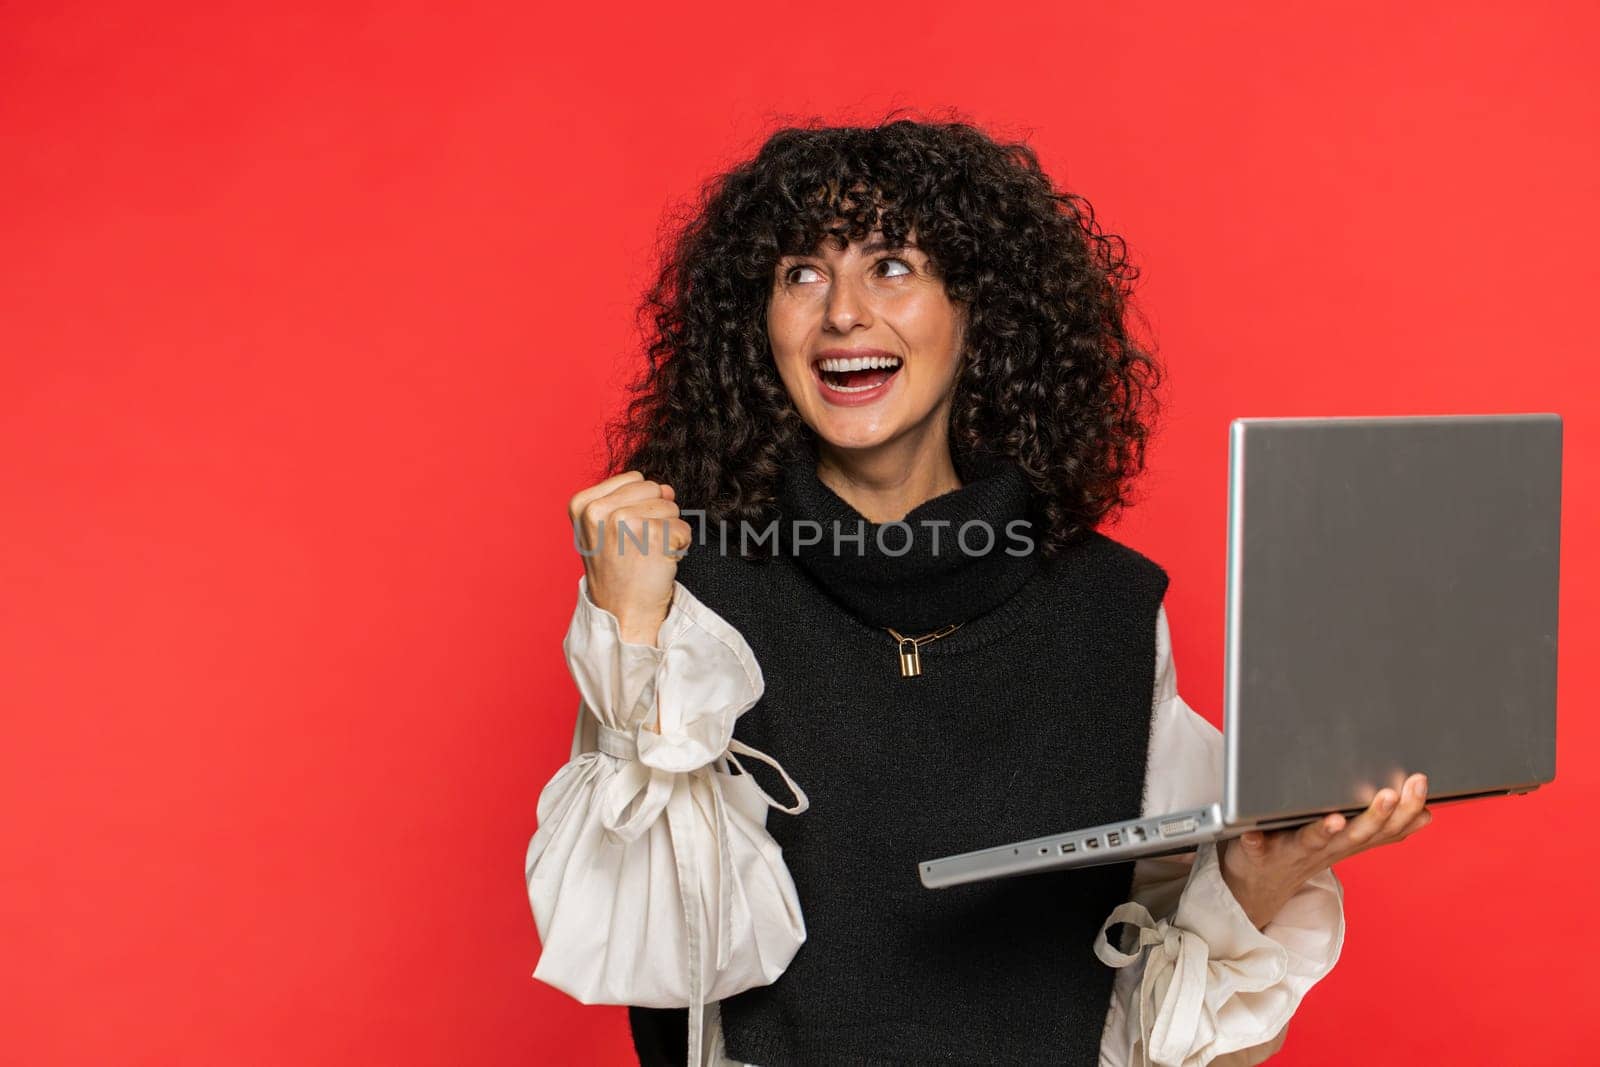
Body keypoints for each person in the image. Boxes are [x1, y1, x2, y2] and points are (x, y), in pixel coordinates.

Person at [528, 115, 1433, 1066]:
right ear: (758, 322)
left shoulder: (1108, 609)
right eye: (800, 272)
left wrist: (1251, 884)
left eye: (891, 266)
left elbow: (1161, 1032)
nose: (841, 311)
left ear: (978, 312)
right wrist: (629, 635)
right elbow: (647, 950)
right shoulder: (687, 594)